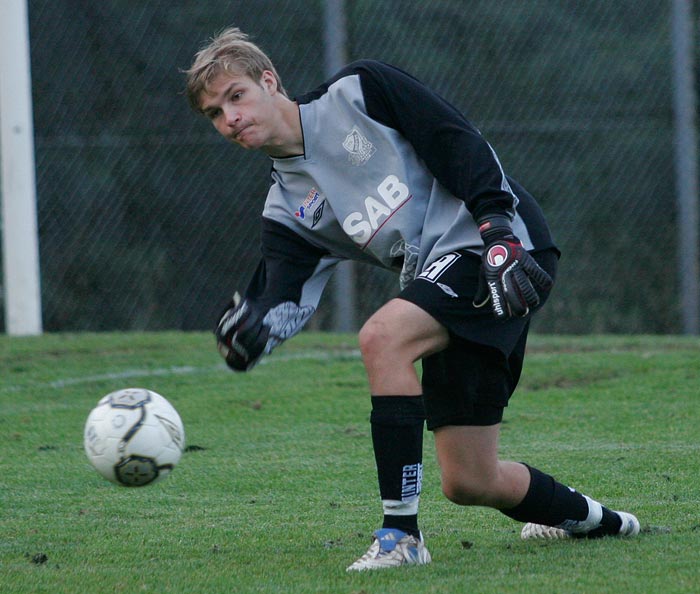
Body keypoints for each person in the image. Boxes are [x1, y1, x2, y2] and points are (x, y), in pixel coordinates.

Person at [184, 27, 639, 572]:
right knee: (470, 480)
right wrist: (252, 332)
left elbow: (456, 139)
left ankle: (401, 537)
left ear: (269, 81)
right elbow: (284, 297)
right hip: (440, 276)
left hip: (493, 241)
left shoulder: (360, 90)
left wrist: (497, 225)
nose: (229, 117)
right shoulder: (287, 208)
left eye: (236, 96)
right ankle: (606, 523)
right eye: (214, 113)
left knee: (383, 338)